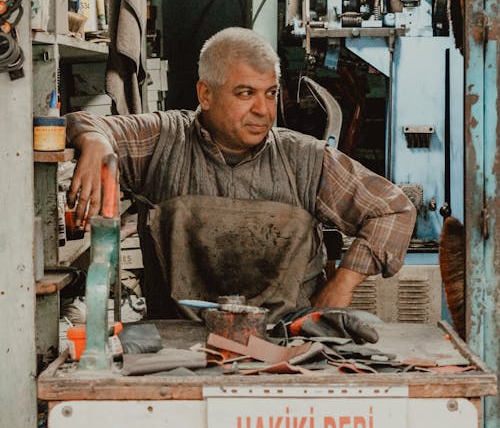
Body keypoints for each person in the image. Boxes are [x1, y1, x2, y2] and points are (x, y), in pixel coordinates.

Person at [66, 27, 416, 321]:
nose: (263, 110)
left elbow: (393, 209)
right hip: (179, 348)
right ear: (206, 93)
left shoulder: (304, 159)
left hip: (285, 345)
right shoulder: (164, 139)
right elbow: (82, 121)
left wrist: (340, 286)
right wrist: (96, 140)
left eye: (270, 94)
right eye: (246, 93)